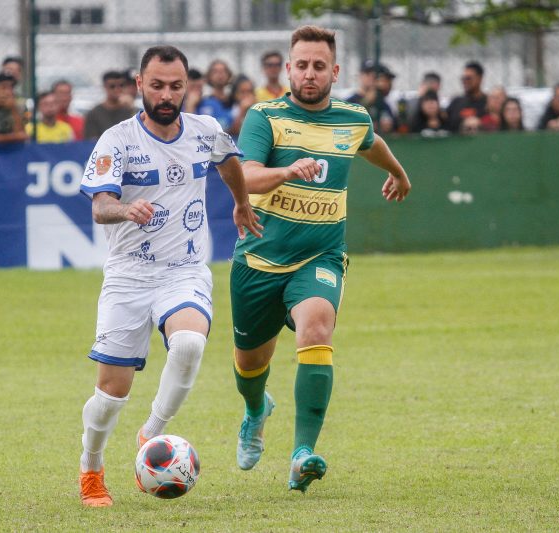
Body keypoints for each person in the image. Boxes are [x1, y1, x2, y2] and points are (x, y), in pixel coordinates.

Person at [77, 44, 262, 508]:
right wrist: (125, 208)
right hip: (128, 275)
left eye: (175, 86)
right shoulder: (116, 140)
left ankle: (151, 434)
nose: (166, 94)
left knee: (189, 343)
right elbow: (100, 206)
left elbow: (229, 166)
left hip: (184, 269)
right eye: (156, 85)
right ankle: (91, 468)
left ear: (187, 87)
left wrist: (241, 202)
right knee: (110, 394)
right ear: (140, 85)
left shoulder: (207, 130)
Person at [230, 25, 411, 493]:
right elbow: (246, 177)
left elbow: (371, 144)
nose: (309, 74)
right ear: (288, 69)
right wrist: (287, 171)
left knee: (317, 327)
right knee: (250, 365)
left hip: (321, 255)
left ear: (334, 71)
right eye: (301, 65)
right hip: (259, 261)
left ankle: (300, 454)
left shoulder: (353, 118)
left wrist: (397, 172)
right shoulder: (264, 116)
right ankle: (255, 410)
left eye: (318, 66)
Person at [83, 71, 138, 140]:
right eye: (112, 86)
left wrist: (132, 109)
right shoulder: (94, 114)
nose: (117, 89)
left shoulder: (130, 109)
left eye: (121, 85)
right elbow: (91, 142)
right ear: (105, 87)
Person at [446, 61, 487, 133]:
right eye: (463, 78)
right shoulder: (456, 102)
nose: (465, 81)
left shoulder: (488, 103)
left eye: (468, 78)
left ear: (479, 78)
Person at [197, 59, 234, 131]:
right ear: (209, 76)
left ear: (229, 75)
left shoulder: (235, 101)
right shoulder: (202, 102)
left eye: (223, 71)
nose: (220, 74)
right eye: (215, 72)